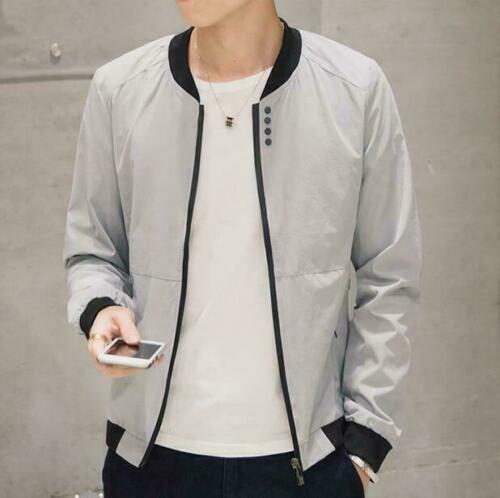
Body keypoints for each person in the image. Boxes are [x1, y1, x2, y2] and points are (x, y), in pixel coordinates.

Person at [62, 0, 423, 496]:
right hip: (150, 462)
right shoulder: (120, 89)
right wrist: (102, 308)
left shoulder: (354, 89)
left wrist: (364, 447)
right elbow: (93, 249)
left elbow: (390, 275)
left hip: (307, 465)